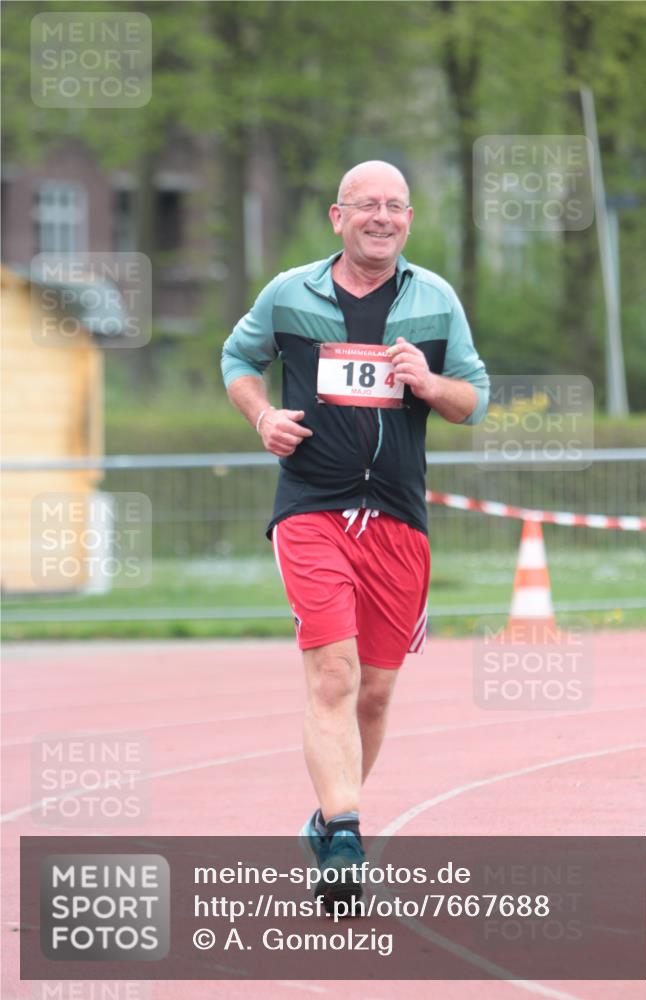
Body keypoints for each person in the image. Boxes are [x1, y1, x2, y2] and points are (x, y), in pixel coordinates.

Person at [222, 160, 489, 910]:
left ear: (408, 219)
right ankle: (344, 833)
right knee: (332, 676)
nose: (382, 216)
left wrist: (430, 385)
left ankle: (324, 817)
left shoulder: (434, 299)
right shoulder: (288, 294)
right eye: (366, 205)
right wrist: (263, 416)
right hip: (312, 505)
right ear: (337, 218)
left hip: (399, 517)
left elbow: (475, 398)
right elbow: (238, 358)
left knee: (373, 693)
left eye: (395, 206)